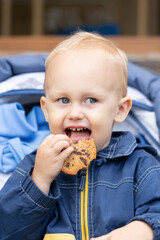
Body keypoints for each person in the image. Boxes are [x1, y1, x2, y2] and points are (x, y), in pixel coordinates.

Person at [0, 31, 160, 240]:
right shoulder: (34, 166)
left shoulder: (141, 165)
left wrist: (141, 230)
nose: (75, 113)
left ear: (120, 110)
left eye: (91, 100)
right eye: (64, 100)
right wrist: (39, 180)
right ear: (46, 110)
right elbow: (8, 231)